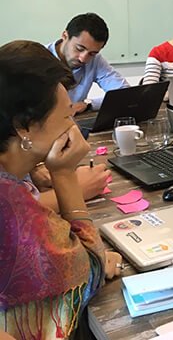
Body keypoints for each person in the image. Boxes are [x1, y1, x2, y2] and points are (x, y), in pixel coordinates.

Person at [0, 40, 123, 339]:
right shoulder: (10, 204)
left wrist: (31, 166)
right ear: (24, 127)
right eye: (67, 116)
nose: (72, 126)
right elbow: (90, 272)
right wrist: (64, 174)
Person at [46, 13, 129, 114]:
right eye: (79, 48)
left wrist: (89, 104)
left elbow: (124, 93)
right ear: (65, 36)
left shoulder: (95, 60)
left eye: (92, 53)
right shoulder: (37, 58)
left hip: (75, 124)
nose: (83, 59)